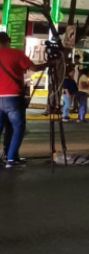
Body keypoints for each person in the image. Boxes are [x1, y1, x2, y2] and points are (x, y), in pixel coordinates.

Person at [0, 31, 45, 168]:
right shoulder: (16, 53)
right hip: (13, 97)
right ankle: (11, 158)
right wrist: (48, 64)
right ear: (8, 41)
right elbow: (34, 68)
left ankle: (9, 155)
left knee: (3, 128)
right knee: (18, 128)